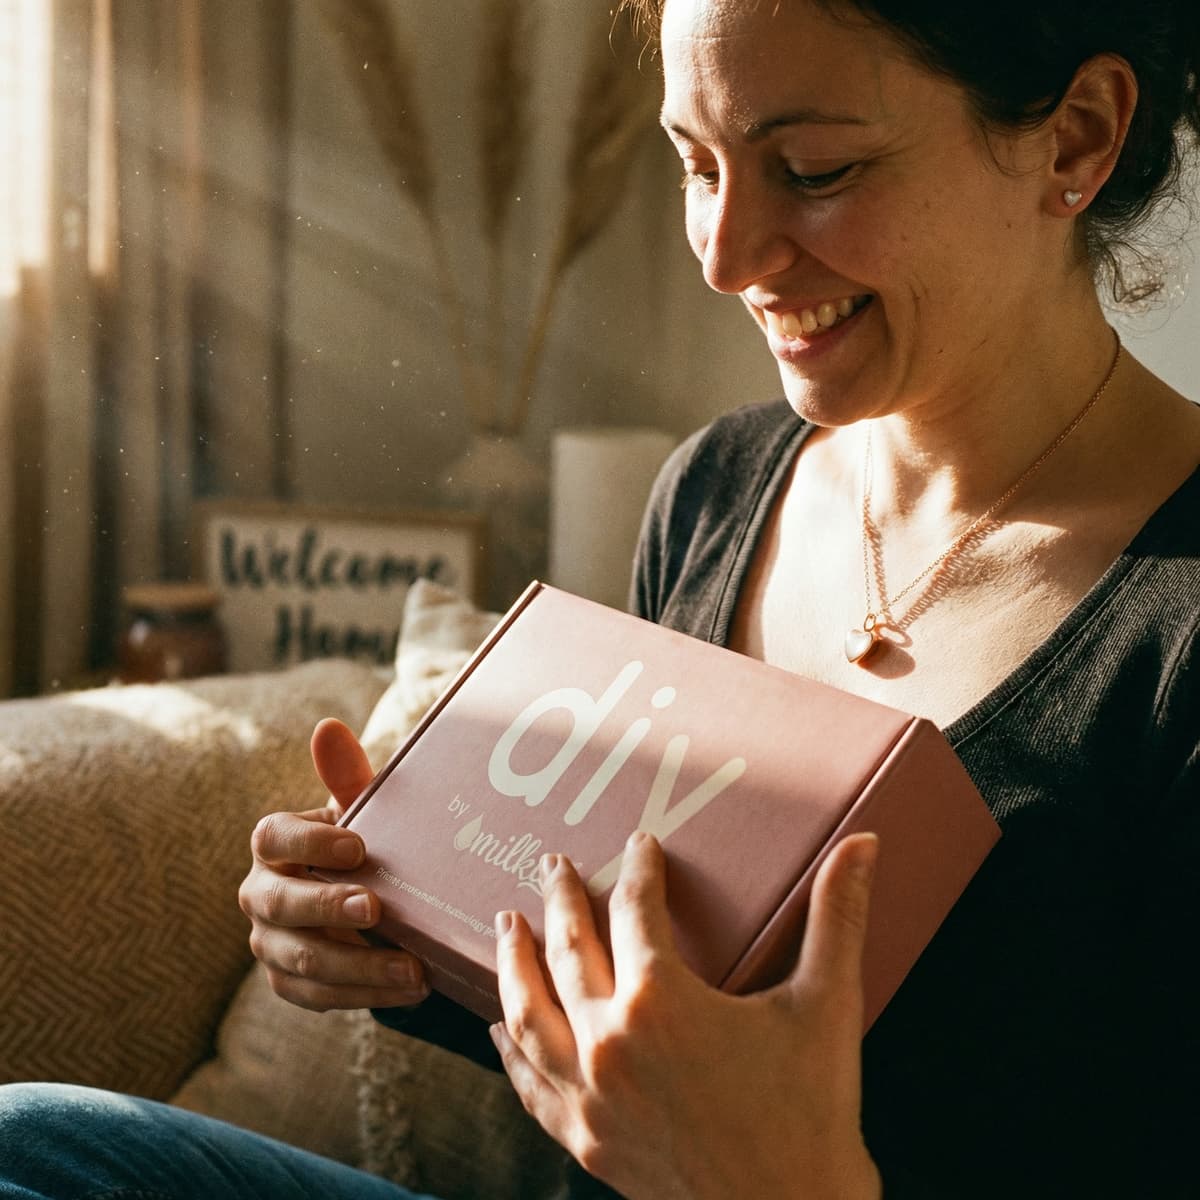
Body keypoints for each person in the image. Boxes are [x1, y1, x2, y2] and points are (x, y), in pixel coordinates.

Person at [2, 1, 1198, 1197]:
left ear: (1077, 137)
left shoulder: (1173, 638)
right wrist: (392, 929)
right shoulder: (717, 488)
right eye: (695, 162)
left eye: (815, 170)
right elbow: (624, 1028)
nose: (726, 257)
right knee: (31, 1137)